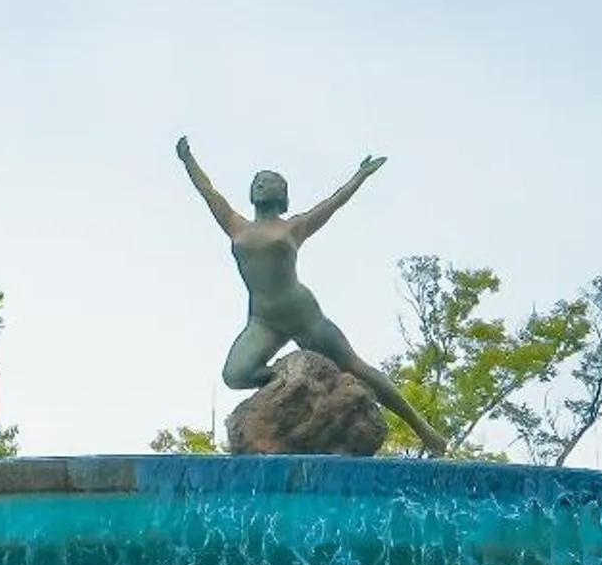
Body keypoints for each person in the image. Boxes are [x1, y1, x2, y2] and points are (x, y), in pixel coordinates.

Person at [174, 136, 446, 454]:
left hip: (302, 312)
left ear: (284, 196)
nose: (263, 183)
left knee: (356, 366)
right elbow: (209, 192)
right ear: (250, 192)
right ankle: (299, 377)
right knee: (235, 374)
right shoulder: (236, 226)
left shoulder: (294, 227)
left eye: (272, 181)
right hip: (263, 320)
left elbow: (333, 202)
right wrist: (188, 159)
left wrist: (359, 175)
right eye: (258, 181)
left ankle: (427, 432)